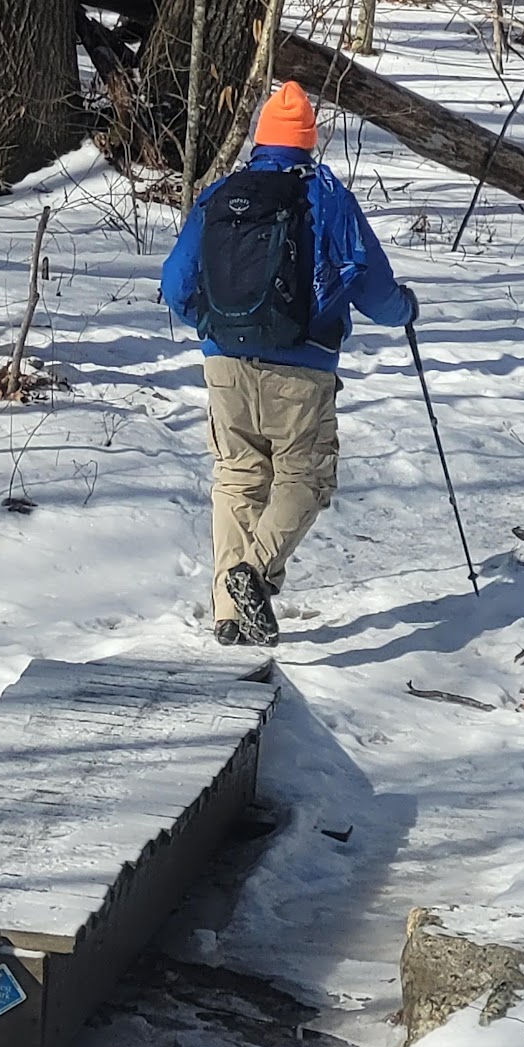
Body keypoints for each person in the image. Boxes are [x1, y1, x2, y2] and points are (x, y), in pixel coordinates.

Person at [160, 81, 418, 647]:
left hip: (223, 361)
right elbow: (371, 287)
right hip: (301, 366)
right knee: (306, 477)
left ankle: (229, 613)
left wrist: (216, 326)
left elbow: (175, 284)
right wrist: (405, 308)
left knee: (237, 477)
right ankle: (251, 573)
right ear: (309, 140)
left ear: (260, 139)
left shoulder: (221, 196)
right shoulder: (324, 195)